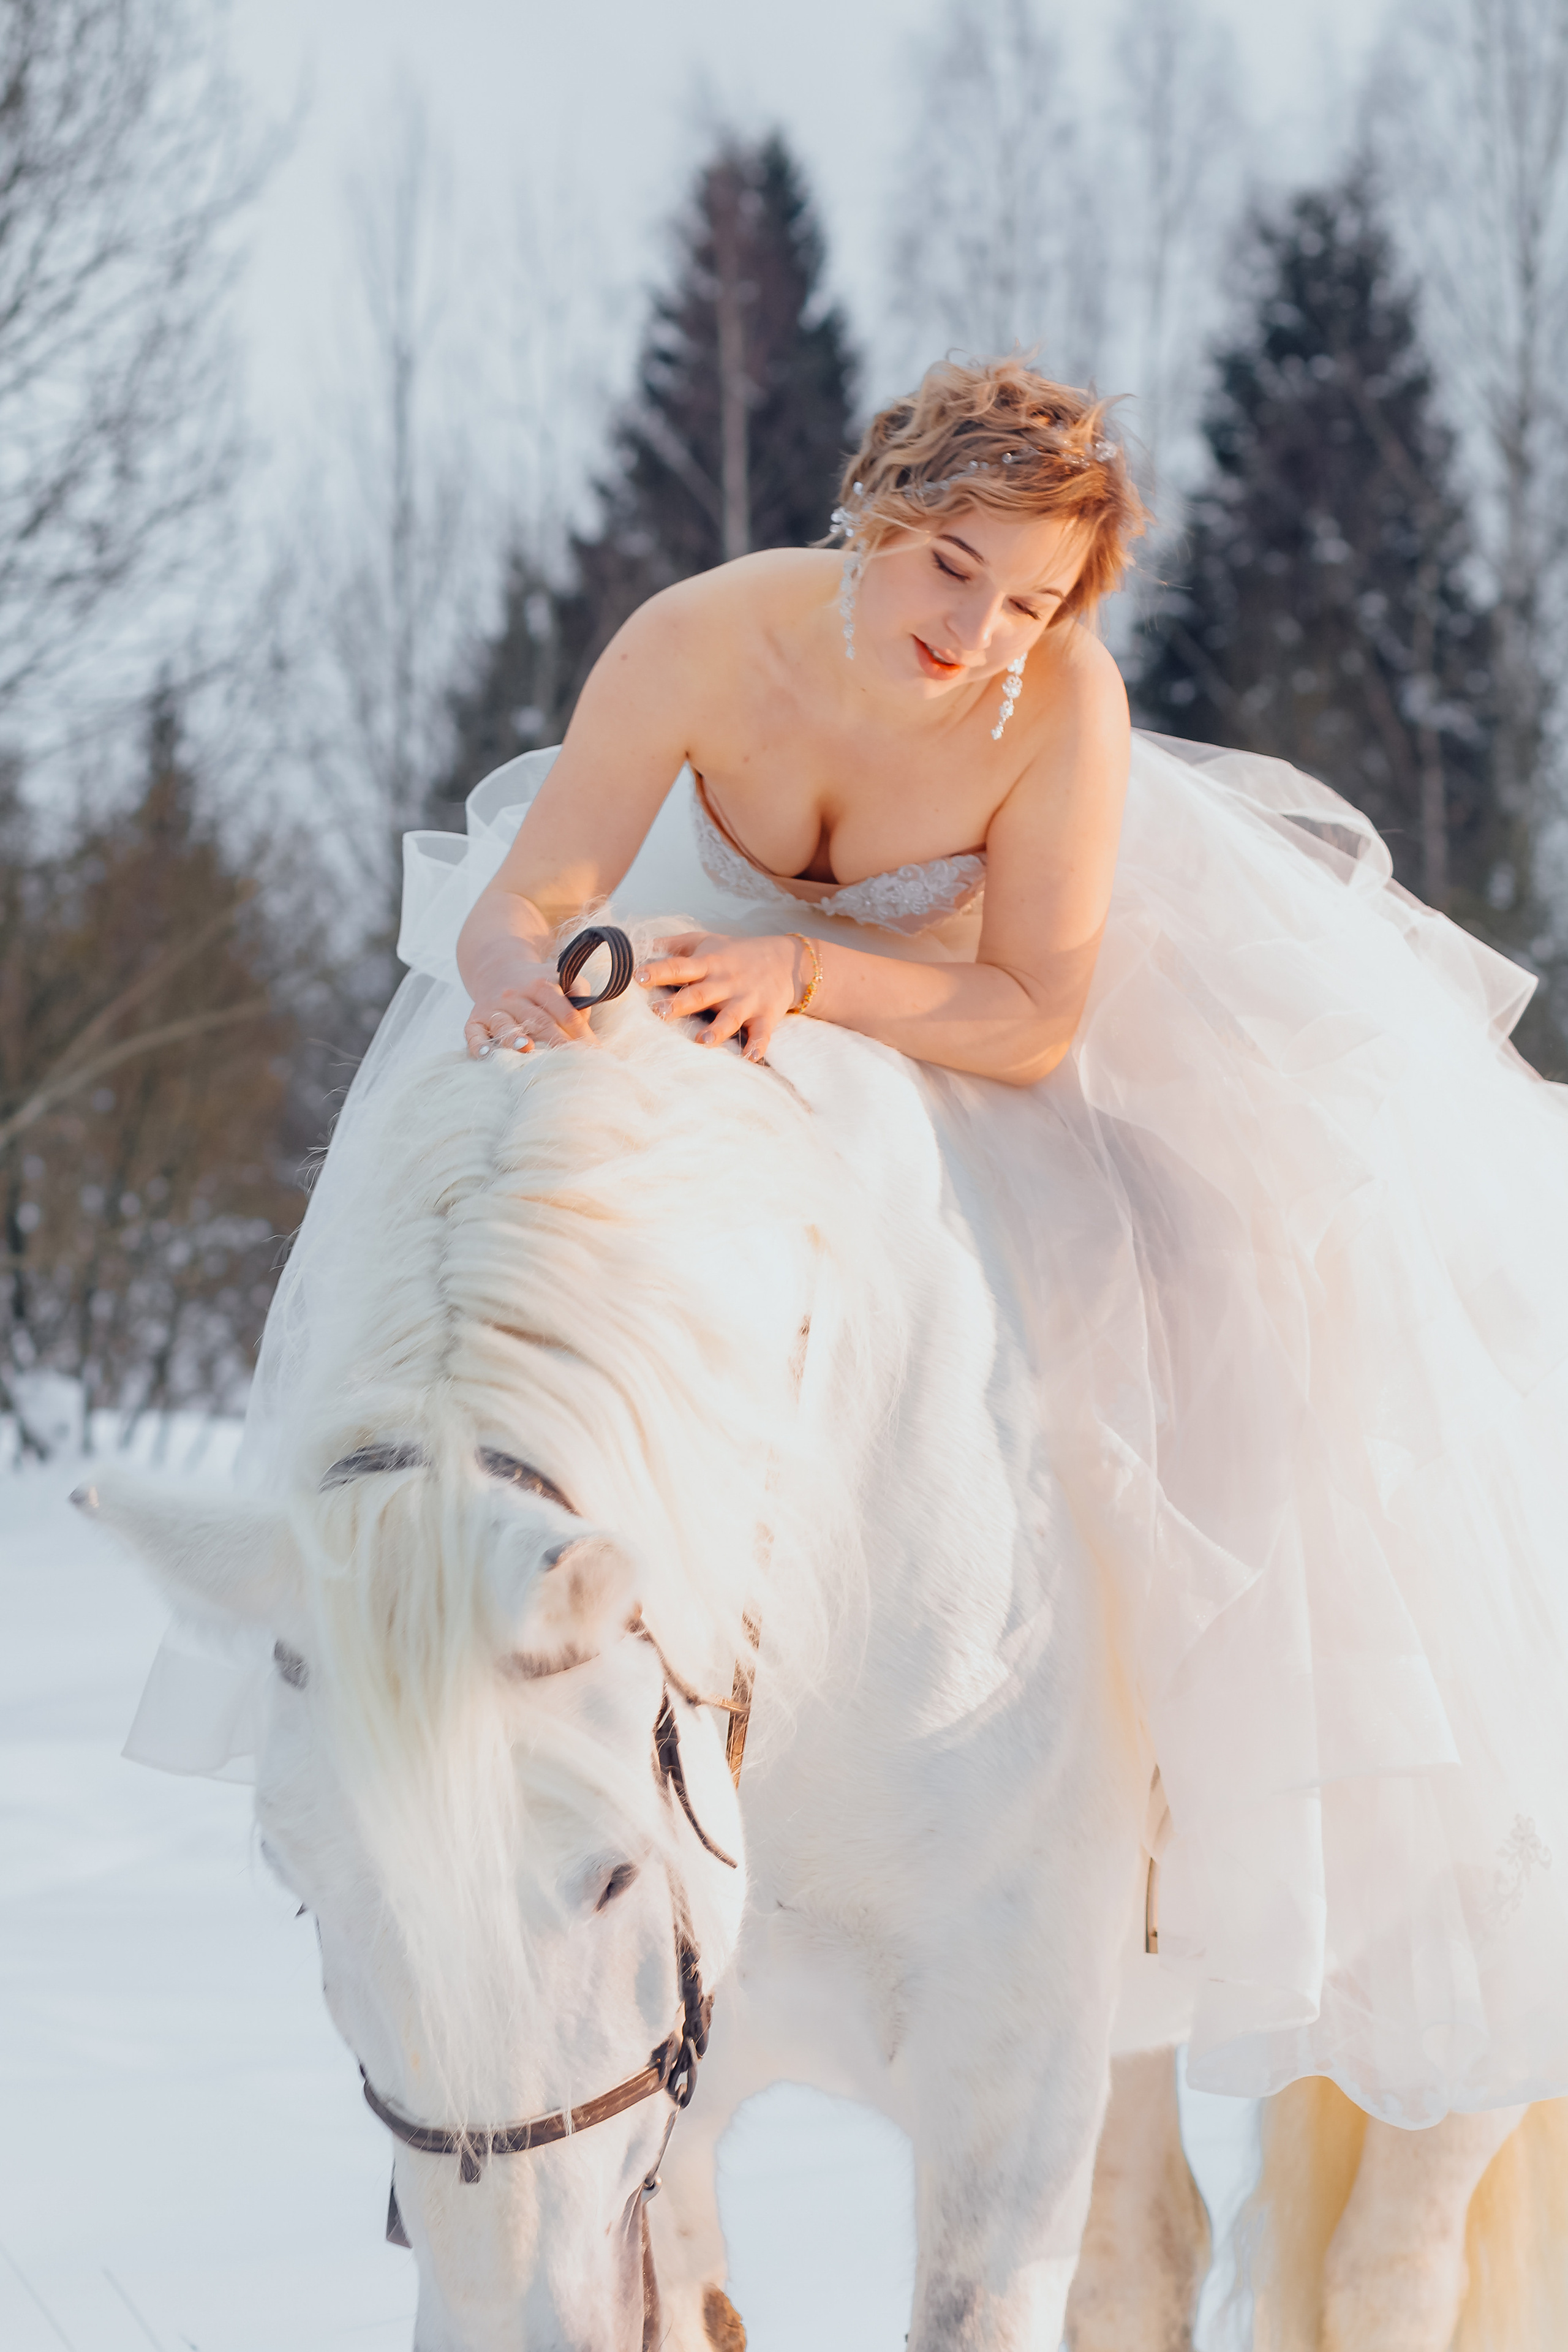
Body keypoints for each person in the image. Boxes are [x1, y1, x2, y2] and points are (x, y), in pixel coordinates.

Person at [129, 355, 1568, 2135]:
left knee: (1206, 1278)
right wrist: (514, 972)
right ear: (876, 516)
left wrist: (807, 974)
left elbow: (1036, 1010)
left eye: (1034, 600)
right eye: (954, 567)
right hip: (674, 992)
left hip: (938, 1026)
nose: (982, 632)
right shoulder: (696, 638)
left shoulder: (1057, 712)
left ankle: (1169, 1764)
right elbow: (538, 889)